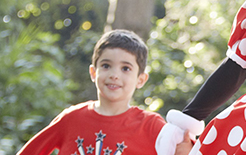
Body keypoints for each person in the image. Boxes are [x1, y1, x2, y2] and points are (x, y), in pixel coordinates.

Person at [17, 29, 194, 155]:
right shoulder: (71, 119)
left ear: (141, 79)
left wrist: (184, 151)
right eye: (106, 65)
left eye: (125, 68)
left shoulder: (152, 126)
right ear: (94, 73)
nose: (114, 75)